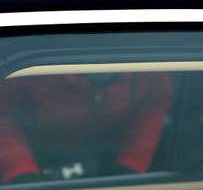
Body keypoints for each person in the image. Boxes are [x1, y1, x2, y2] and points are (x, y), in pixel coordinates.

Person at [0, 72, 173, 183]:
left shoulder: (146, 67)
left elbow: (153, 106)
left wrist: (130, 166)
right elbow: (3, 112)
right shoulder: (36, 63)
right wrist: (21, 171)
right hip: (39, 160)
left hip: (113, 161)